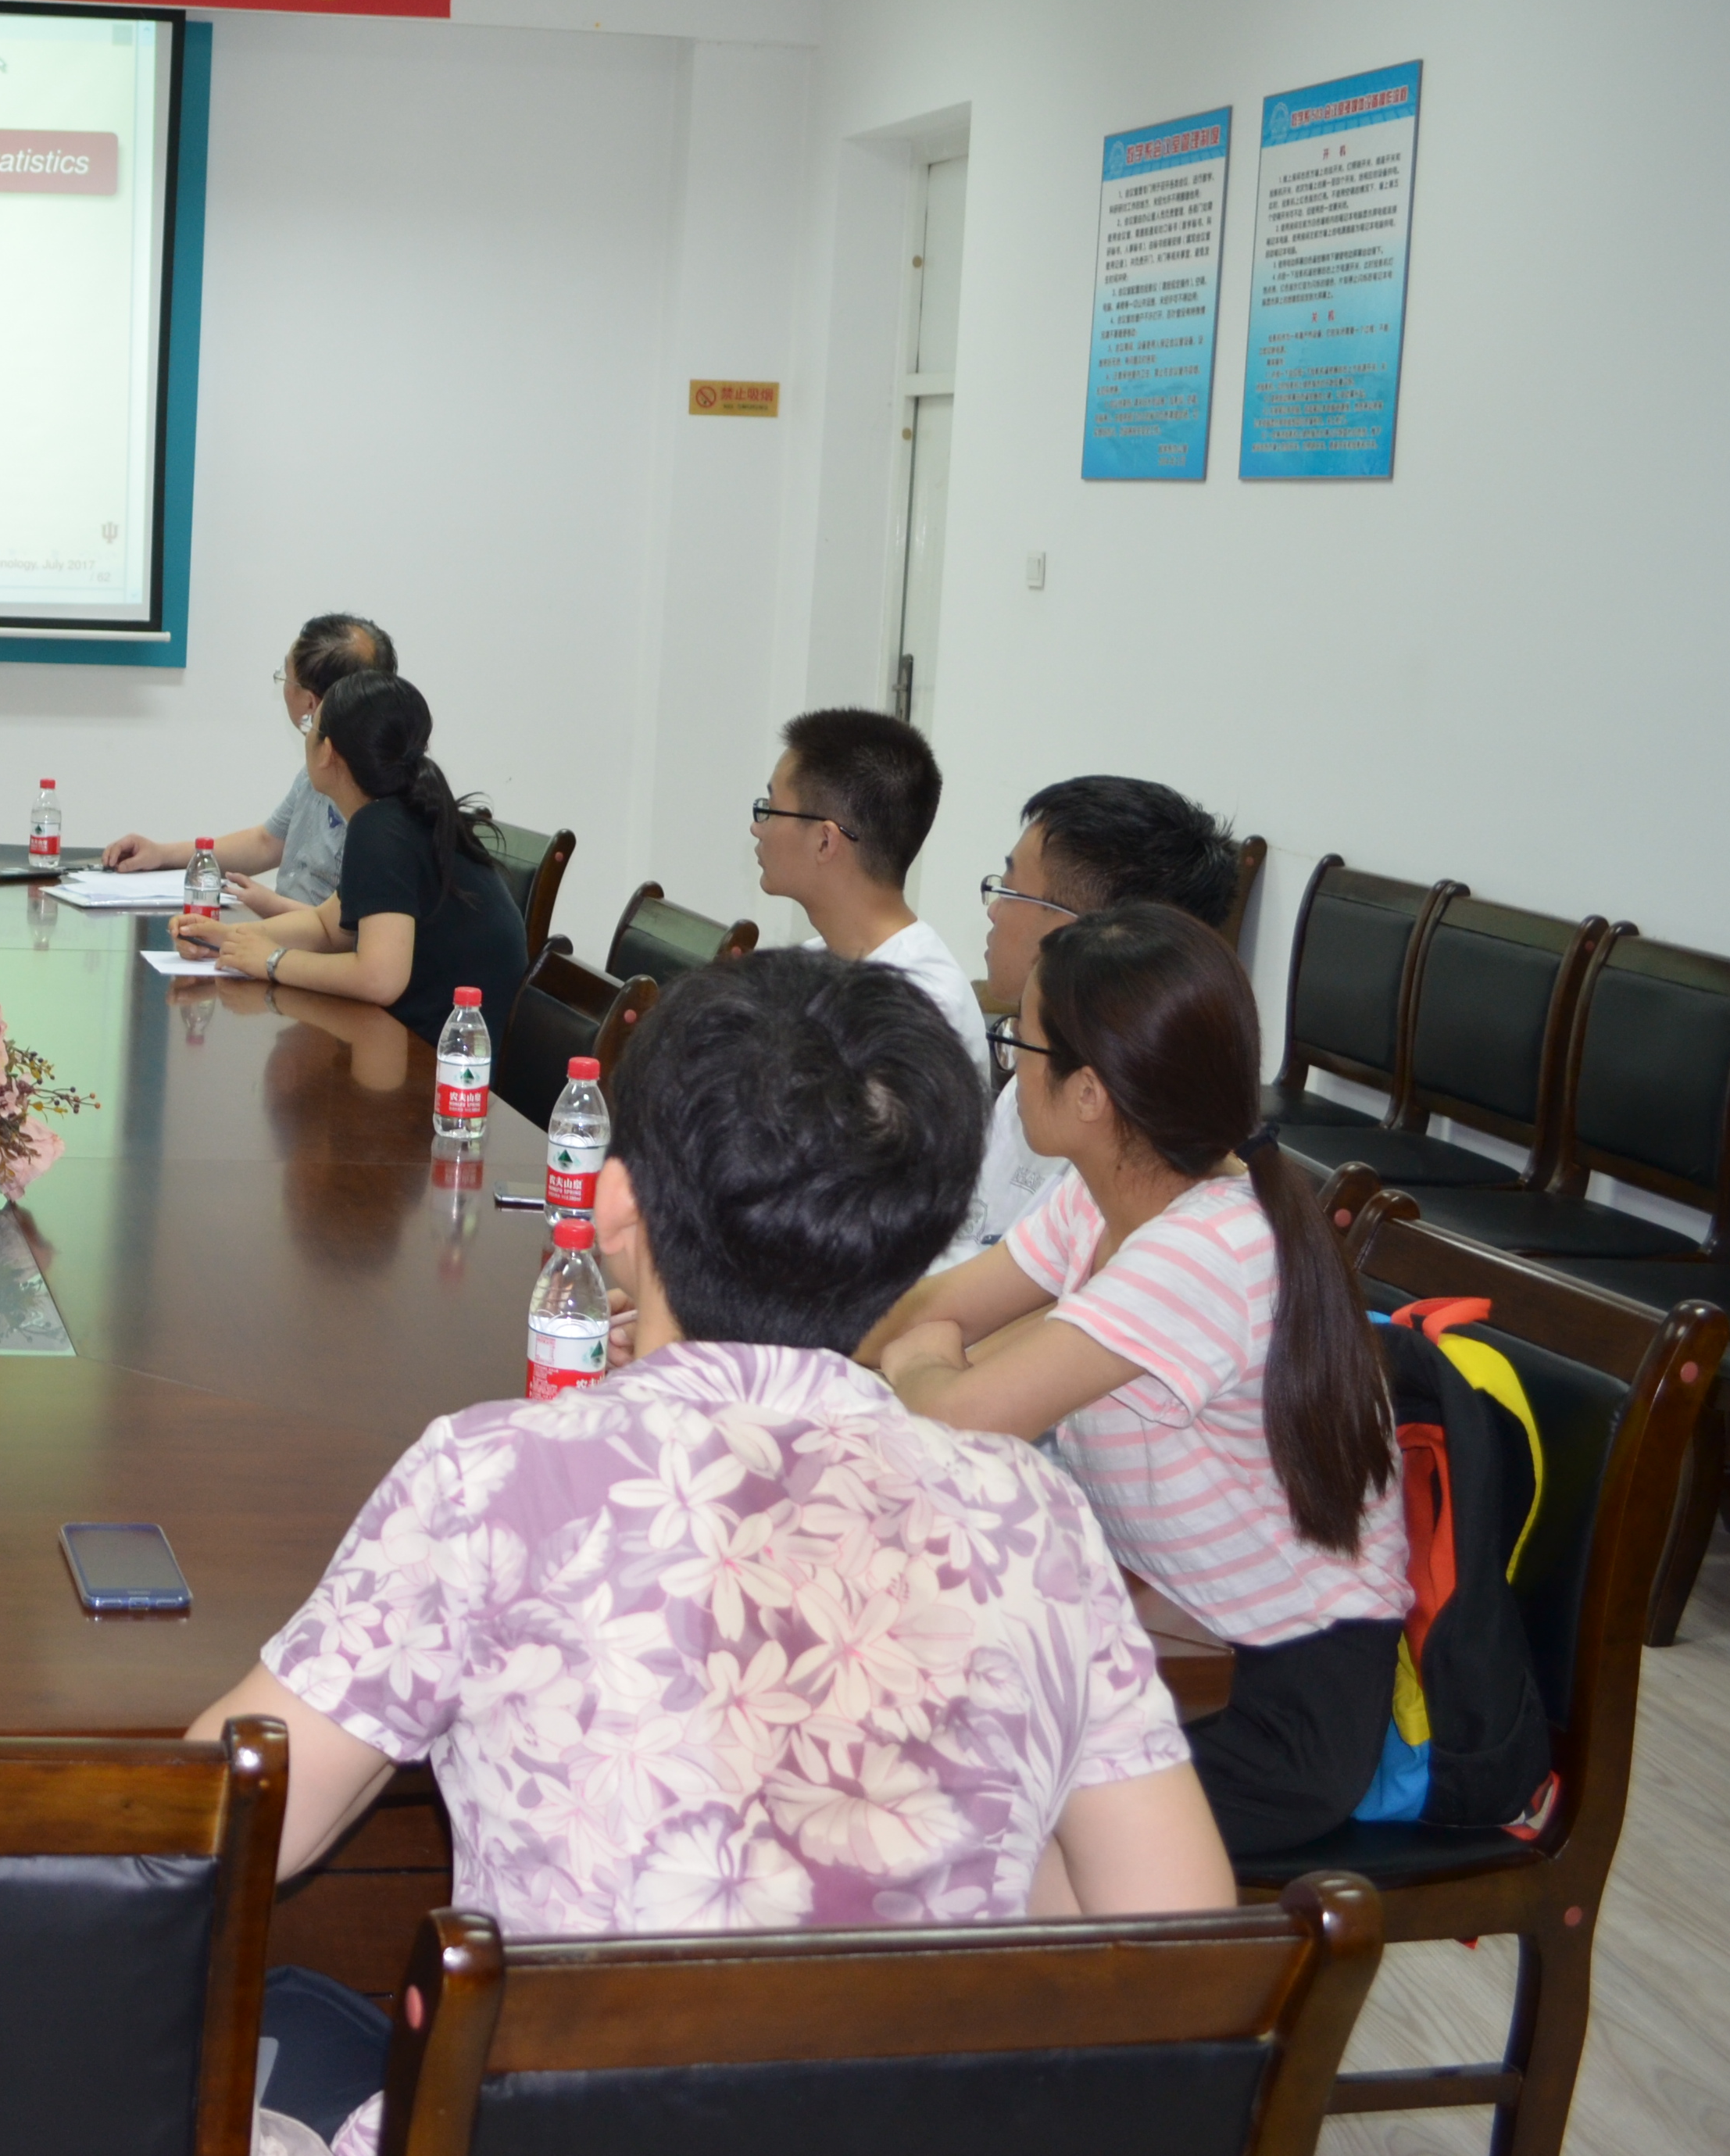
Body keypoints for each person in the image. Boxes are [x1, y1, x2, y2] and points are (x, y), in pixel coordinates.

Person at [198, 952, 1230, 2156]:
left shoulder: (494, 1482)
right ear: (915, 1245)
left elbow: (213, 1843)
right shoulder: (1035, 1520)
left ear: (615, 1208)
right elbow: (1182, 1961)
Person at [874, 902, 1410, 1857]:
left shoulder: (1206, 1249)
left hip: (1271, 1709)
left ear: (1088, 1094)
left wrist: (926, 1357)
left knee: (933, 1797)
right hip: (1164, 1633)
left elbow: (953, 1413)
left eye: (1019, 1044)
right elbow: (928, 1309)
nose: (1008, 1067)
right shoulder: (1106, 1195)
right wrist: (907, 1343)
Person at [951, 775, 1245, 1260]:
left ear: (1088, 936)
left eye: (1012, 891)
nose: (994, 910)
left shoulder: (1121, 1157)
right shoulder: (1039, 1063)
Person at [172, 670, 527, 1041]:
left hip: (448, 1056)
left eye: (311, 725)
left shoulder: (381, 827)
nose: (306, 735)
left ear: (328, 751)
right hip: (424, 1037)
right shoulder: (395, 814)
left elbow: (380, 978)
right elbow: (328, 929)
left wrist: (272, 960)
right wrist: (226, 939)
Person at [100, 613, 395, 917]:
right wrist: (162, 854)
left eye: (286, 677)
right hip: (283, 933)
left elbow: (344, 930)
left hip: (304, 941)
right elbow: (266, 842)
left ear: (311, 704)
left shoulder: (376, 804)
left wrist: (264, 906)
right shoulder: (317, 770)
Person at [752, 704, 985, 1073]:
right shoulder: (808, 966)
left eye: (771, 808)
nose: (757, 827)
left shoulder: (923, 1003)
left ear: (825, 841)